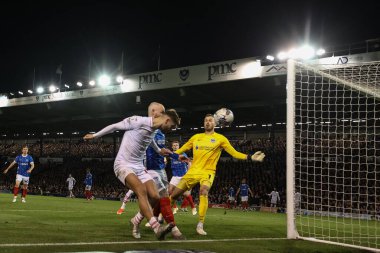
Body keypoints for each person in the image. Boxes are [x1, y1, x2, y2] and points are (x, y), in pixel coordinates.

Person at [83, 108, 181, 240]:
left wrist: (159, 150)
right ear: (167, 120)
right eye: (172, 126)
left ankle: (135, 221)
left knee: (155, 197)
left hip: (139, 167)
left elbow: (149, 140)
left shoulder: (153, 130)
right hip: (123, 164)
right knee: (141, 190)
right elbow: (115, 126)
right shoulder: (138, 121)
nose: (172, 129)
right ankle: (157, 228)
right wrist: (95, 135)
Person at [170, 114, 265, 235]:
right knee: (173, 196)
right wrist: (168, 156)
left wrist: (250, 157)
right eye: (205, 120)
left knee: (204, 191)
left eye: (210, 120)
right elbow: (179, 150)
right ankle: (164, 217)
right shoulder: (196, 137)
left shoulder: (221, 139)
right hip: (193, 171)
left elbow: (234, 153)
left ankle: (200, 224)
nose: (207, 122)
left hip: (208, 172)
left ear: (215, 123)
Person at [169, 140, 196, 215]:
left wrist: (189, 173)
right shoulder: (171, 154)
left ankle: (193, 207)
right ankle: (174, 207)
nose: (175, 146)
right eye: (174, 145)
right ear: (172, 146)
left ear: (179, 146)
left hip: (183, 176)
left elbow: (189, 162)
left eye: (176, 145)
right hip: (175, 176)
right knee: (169, 190)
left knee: (186, 194)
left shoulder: (182, 154)